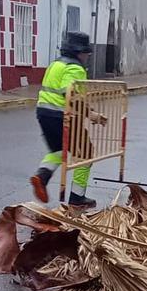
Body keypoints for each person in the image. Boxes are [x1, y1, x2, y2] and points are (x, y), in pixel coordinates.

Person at [30, 31, 97, 206]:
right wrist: (91, 114)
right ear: (79, 52)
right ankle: (77, 197)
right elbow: (71, 94)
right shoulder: (75, 68)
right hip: (63, 116)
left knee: (58, 151)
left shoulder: (56, 64)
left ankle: (41, 177)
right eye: (86, 53)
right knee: (86, 154)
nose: (87, 57)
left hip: (43, 113)